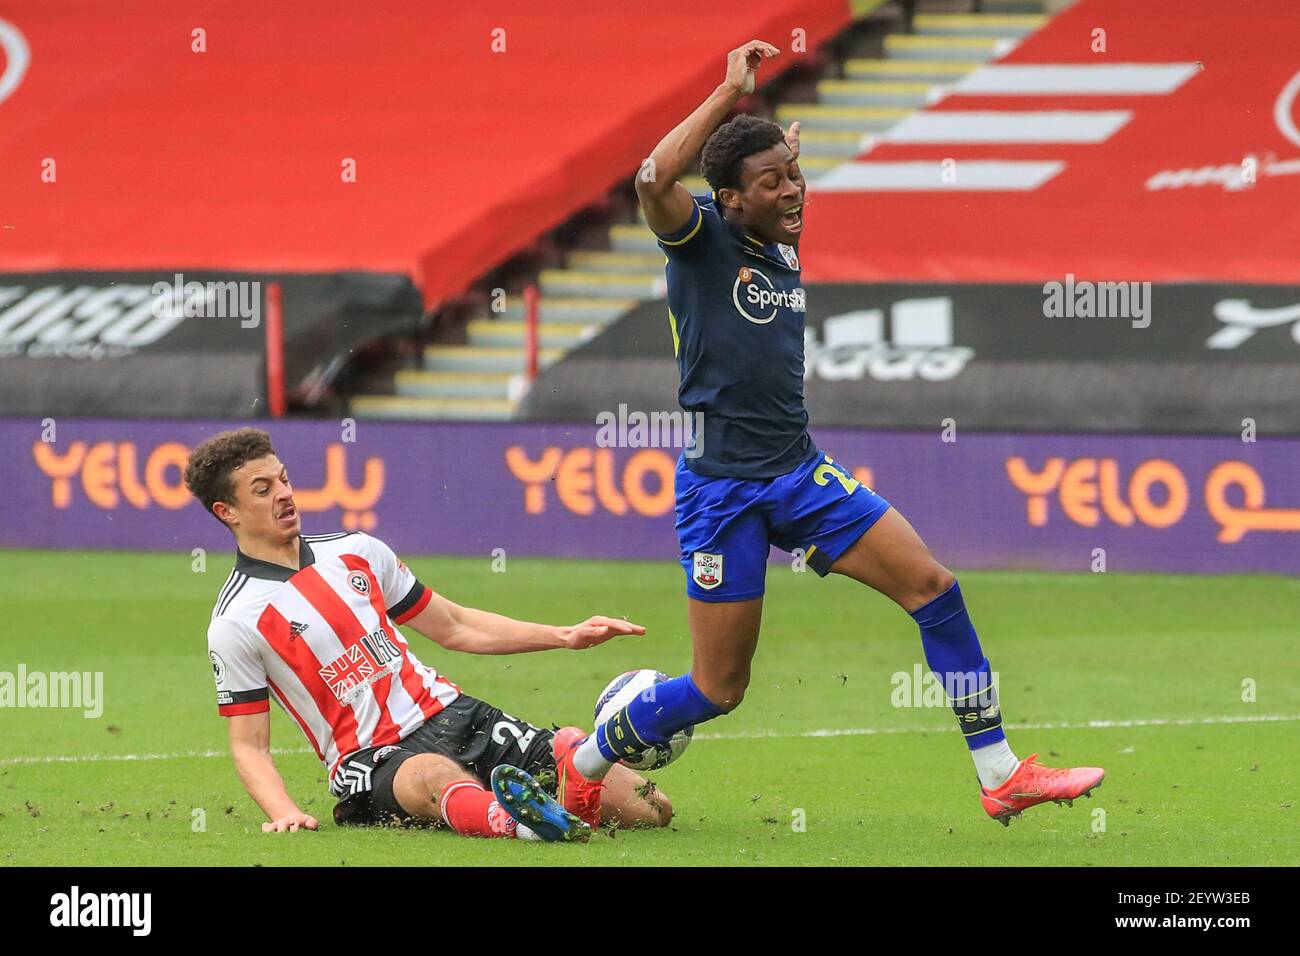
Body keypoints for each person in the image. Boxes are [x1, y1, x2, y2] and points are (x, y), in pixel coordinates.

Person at [553, 40, 1104, 827]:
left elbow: (769, 182)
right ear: (729, 199)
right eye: (772, 183)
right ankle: (587, 760)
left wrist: (774, 160)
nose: (793, 192)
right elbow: (651, 178)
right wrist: (727, 95)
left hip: (801, 474)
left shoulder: (778, 237)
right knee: (719, 690)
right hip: (721, 493)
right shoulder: (701, 238)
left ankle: (1000, 772)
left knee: (935, 591)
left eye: (796, 176)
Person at [186, 427, 671, 842]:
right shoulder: (236, 621)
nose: (285, 494)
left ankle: (556, 796)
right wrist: (284, 811)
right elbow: (249, 744)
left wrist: (564, 635)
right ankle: (516, 822)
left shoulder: (358, 551)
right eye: (263, 489)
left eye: (285, 480)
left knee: (651, 809)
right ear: (227, 511)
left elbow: (456, 626)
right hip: (372, 758)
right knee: (432, 774)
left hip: (457, 717)